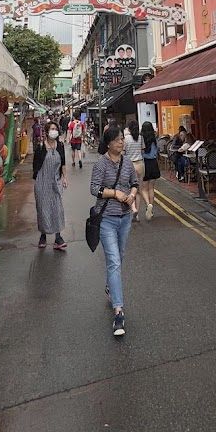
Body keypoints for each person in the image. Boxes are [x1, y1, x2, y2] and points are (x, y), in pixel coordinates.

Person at [90, 125, 139, 338]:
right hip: (107, 219)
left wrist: (132, 194)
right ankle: (118, 311)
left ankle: (111, 286)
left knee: (120, 257)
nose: (122, 142)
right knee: (114, 261)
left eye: (122, 140)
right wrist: (115, 194)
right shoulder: (101, 164)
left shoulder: (127, 163)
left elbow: (135, 183)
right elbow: (94, 189)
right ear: (109, 143)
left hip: (125, 218)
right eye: (118, 140)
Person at [32, 120, 68, 250]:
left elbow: (63, 162)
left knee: (57, 208)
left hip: (56, 181)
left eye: (55, 128)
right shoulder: (41, 147)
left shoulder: (60, 146)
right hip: (42, 182)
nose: (54, 131)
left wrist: (64, 177)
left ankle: (58, 238)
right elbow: (35, 167)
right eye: (51, 129)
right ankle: (43, 235)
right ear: (46, 132)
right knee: (43, 209)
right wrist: (37, 182)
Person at [140, 121, 160, 220]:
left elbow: (142, 152)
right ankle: (151, 207)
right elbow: (157, 151)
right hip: (154, 163)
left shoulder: (142, 139)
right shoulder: (155, 139)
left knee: (144, 188)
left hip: (146, 164)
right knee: (151, 188)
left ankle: (148, 205)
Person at [124, 120, 144, 220]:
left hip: (129, 165)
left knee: (129, 189)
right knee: (139, 190)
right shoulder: (140, 137)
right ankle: (137, 214)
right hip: (140, 164)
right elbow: (143, 149)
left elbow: (123, 151)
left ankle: (133, 208)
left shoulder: (126, 138)